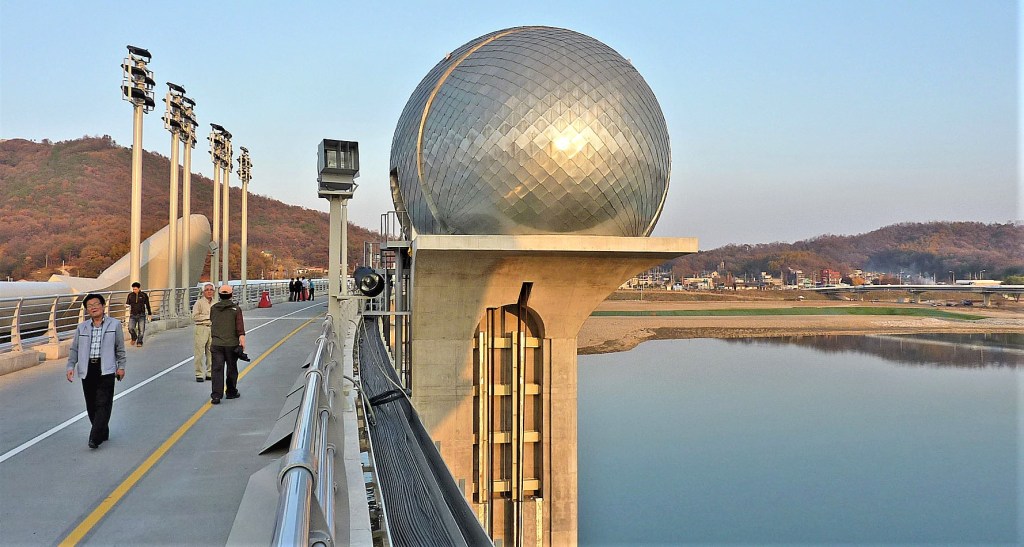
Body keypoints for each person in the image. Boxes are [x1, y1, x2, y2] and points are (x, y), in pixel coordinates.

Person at [66, 293, 126, 449]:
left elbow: (120, 348)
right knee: (91, 405)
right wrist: (70, 366)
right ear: (87, 310)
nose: (93, 308)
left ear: (103, 306)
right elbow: (74, 349)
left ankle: (94, 438)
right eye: (89, 306)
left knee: (103, 403)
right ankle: (102, 431)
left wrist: (121, 367)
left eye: (96, 304)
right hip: (88, 368)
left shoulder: (114, 324)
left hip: (106, 368)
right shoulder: (82, 327)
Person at [209, 284, 246, 404]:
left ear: (219, 295)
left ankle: (216, 396)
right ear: (231, 295)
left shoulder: (214, 308)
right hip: (231, 344)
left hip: (217, 344)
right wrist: (242, 340)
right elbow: (240, 327)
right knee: (232, 369)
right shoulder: (236, 309)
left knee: (217, 369)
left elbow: (212, 320)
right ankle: (231, 392)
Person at [191, 282, 215, 382]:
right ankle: (199, 373)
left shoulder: (215, 303)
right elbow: (195, 316)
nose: (209, 292)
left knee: (211, 352)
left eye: (211, 290)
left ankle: (210, 372)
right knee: (199, 352)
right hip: (201, 328)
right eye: (207, 290)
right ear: (203, 292)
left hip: (212, 328)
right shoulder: (199, 303)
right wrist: (208, 317)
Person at [126, 281, 152, 346]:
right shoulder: (130, 295)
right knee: (130, 328)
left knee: (141, 330)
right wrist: (126, 305)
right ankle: (134, 337)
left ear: (139, 288)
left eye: (135, 289)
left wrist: (149, 313)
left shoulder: (144, 295)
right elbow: (128, 303)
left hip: (141, 315)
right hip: (133, 315)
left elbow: (147, 304)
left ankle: (139, 342)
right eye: (133, 289)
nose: (134, 290)